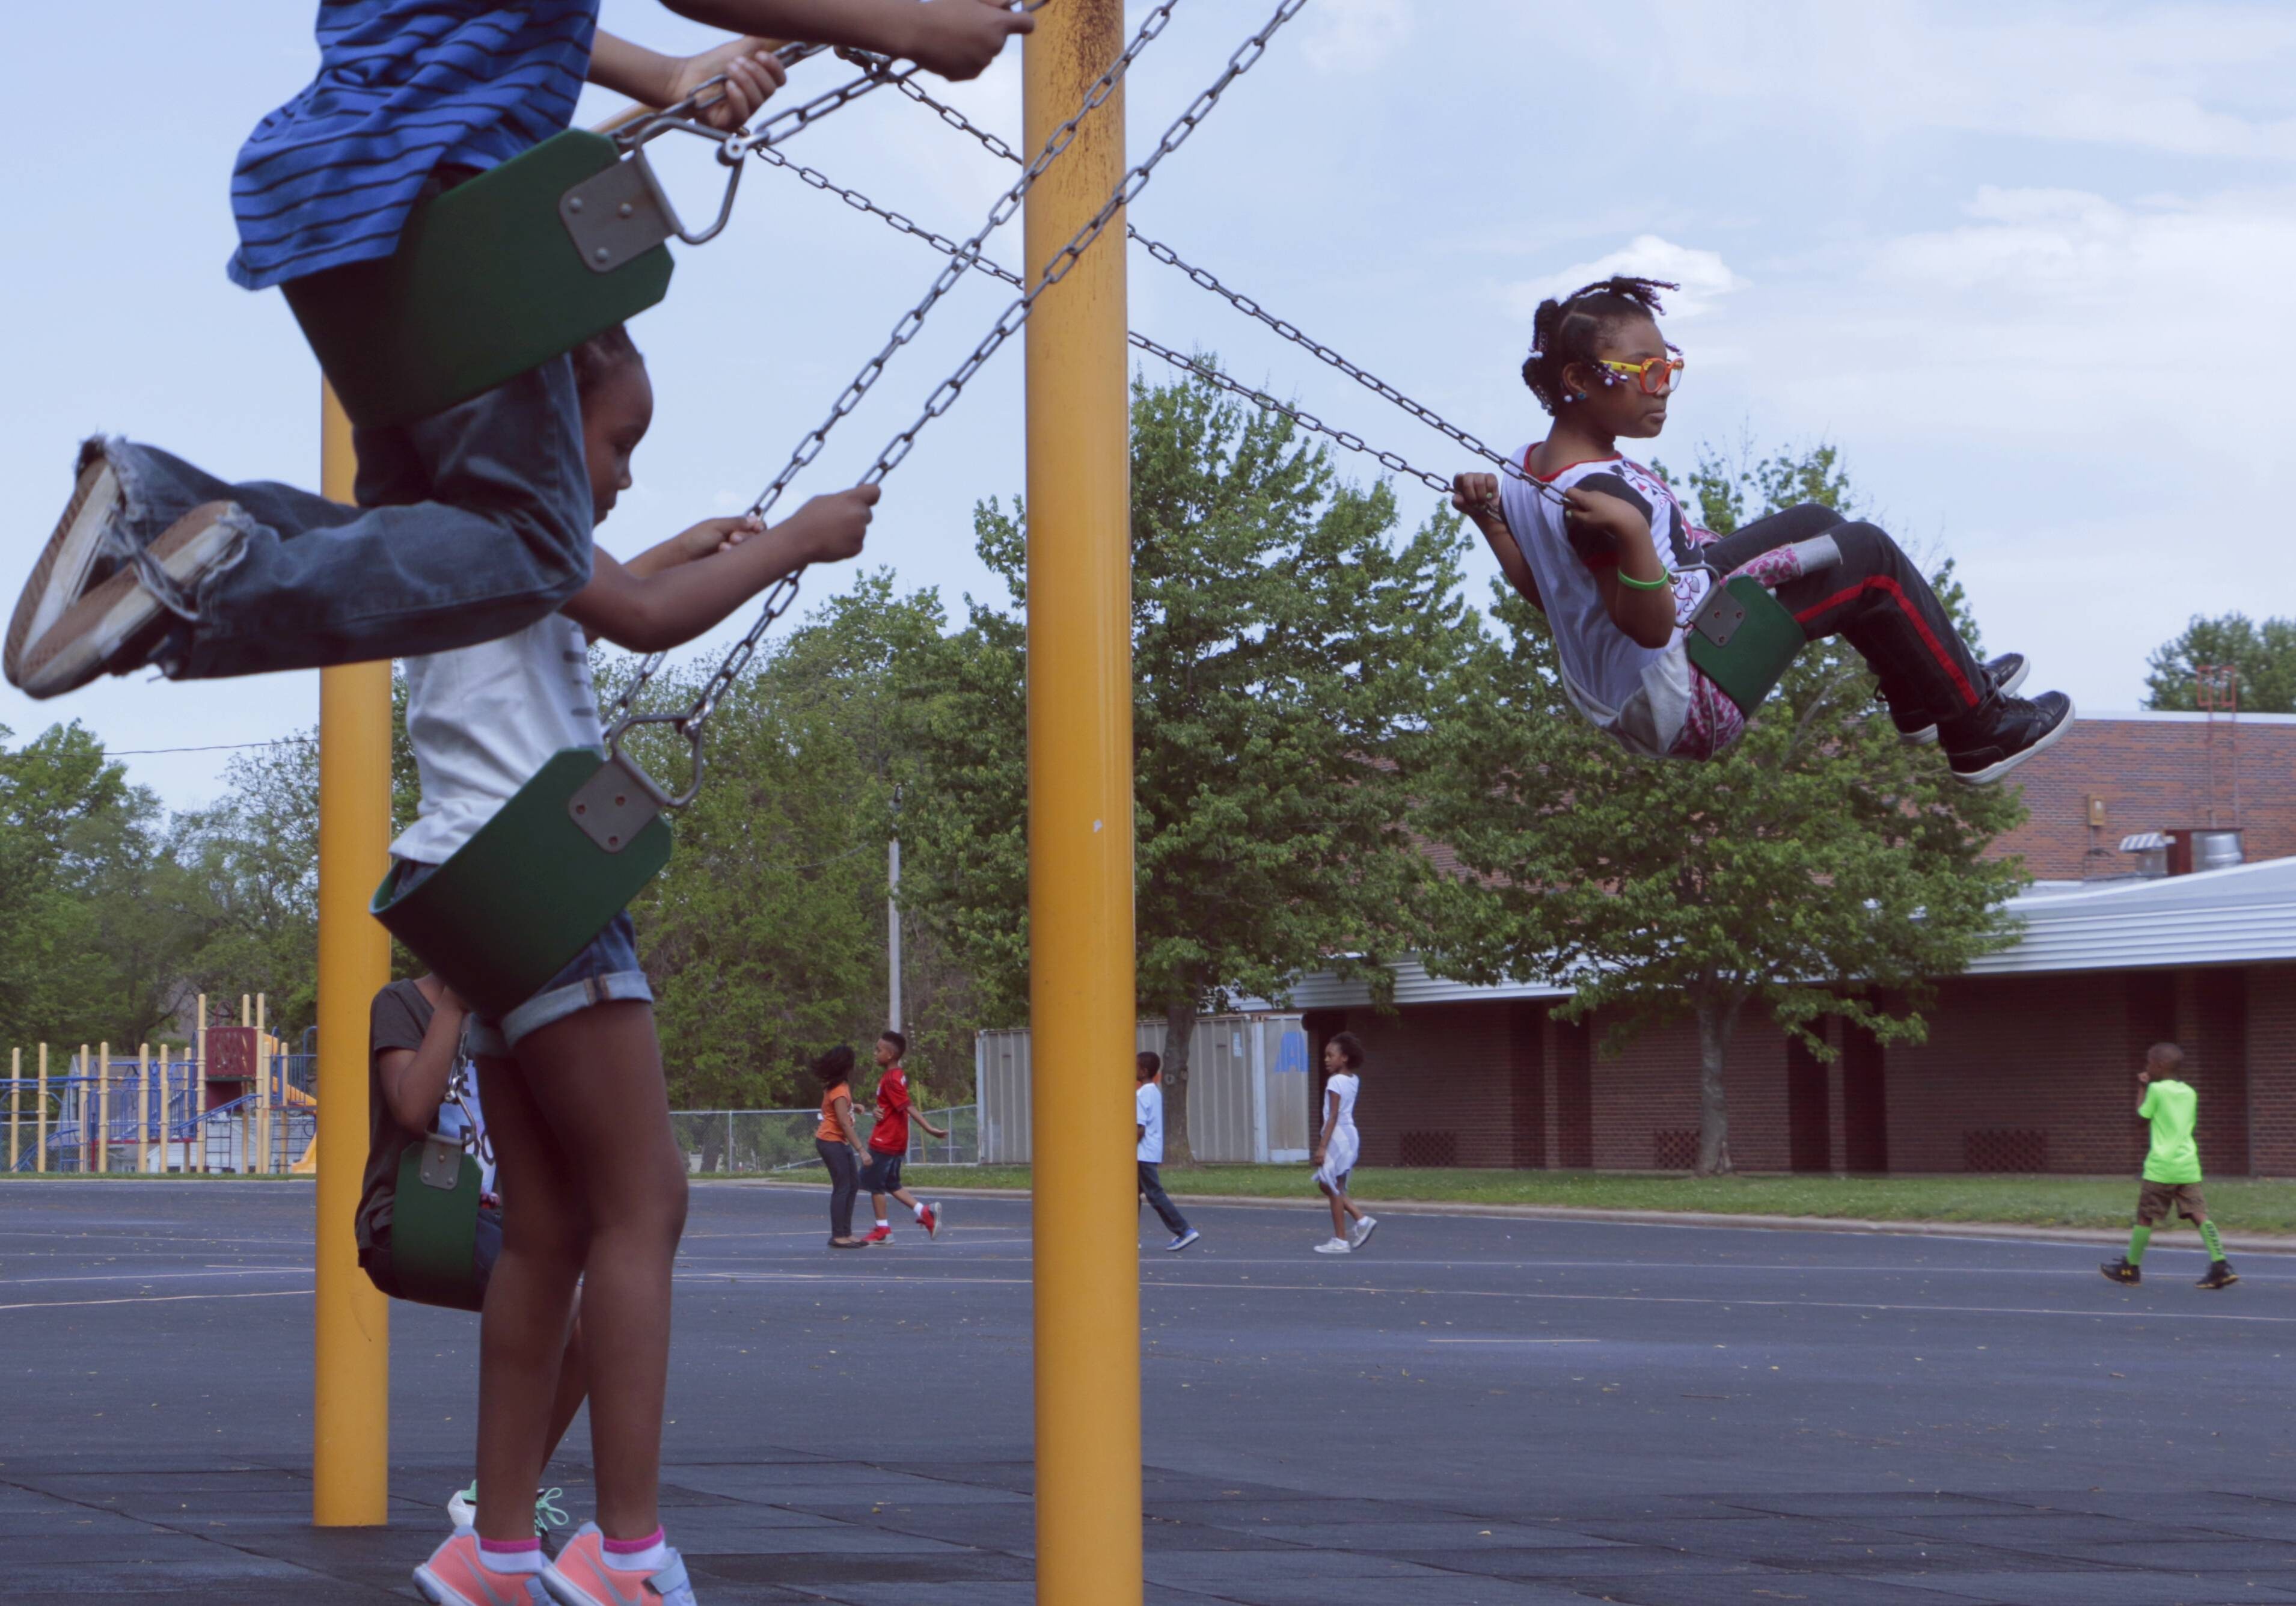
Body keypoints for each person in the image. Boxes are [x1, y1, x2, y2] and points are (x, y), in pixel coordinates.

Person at [7, 0, 1032, 702]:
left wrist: (672, 74)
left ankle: (158, 507)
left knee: (418, 536)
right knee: (538, 549)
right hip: (432, 192)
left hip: (326, 201)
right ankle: (207, 584)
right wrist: (910, 22)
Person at [409, 323, 874, 1606]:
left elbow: (605, 599)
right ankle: (626, 1552)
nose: (621, 477)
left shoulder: (463, 522)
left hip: (468, 896)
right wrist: (798, 541)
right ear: (548, 428)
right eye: (616, 445)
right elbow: (646, 620)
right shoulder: (524, 512)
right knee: (643, 1203)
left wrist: (680, 551)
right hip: (552, 883)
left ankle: (495, 1548)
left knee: (546, 1230)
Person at [1450, 276, 2071, 784]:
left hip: (1649, 675)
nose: (1662, 388)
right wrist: (1637, 537)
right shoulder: (1604, 499)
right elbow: (1650, 624)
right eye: (1643, 372)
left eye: (1668, 368)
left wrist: (1492, 524)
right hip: (1689, 696)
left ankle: (1922, 690)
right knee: (1870, 556)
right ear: (1580, 382)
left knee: (1818, 524)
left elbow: (1553, 595)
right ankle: (1978, 730)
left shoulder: (1530, 469)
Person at [367, 973, 587, 1547]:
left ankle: (497, 1495)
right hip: (415, 1214)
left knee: (594, 1325)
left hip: (499, 1219)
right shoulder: (402, 1003)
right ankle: (500, 1499)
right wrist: (459, 1000)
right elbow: (412, 1108)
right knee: (553, 1301)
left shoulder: (511, 1011)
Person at [2101, 1043, 2237, 1290]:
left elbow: (2141, 1120)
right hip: (2187, 1164)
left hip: (2161, 1166)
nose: (2147, 1067)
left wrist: (2142, 1088)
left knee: (2145, 1216)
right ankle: (2221, 1265)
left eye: (2150, 1062)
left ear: (2161, 1066)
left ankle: (2130, 1268)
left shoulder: (2157, 1091)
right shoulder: (2189, 1092)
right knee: (2199, 1215)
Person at [861, 1031, 946, 1244]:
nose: (875, 1053)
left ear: (890, 1055)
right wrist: (876, 1111)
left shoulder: (891, 1079)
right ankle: (924, 1212)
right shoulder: (897, 1075)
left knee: (874, 1185)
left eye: (878, 1050)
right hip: (896, 1140)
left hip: (885, 1140)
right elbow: (892, 1107)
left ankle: (883, 1231)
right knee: (891, 1183)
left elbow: (907, 1106)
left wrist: (928, 1128)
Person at [1310, 1033, 1376, 1255]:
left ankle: (1343, 1237)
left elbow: (1333, 1115)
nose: (1326, 1060)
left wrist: (1322, 1146)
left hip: (1338, 1135)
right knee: (1329, 1185)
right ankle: (1360, 1220)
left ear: (1345, 1058)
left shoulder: (1335, 1081)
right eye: (1325, 1056)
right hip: (1350, 1134)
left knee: (1332, 1185)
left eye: (1331, 1055)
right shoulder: (1353, 1080)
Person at [1136, 1052, 1200, 1252]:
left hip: (1141, 1154)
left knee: (1155, 1194)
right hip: (1150, 1151)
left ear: (1144, 1071)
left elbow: (1140, 1128)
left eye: (1134, 1066)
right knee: (1129, 1195)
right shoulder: (1155, 1092)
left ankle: (1184, 1230)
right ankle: (1128, 1237)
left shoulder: (1140, 1095)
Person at [812, 1046, 868, 1249]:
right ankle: (838, 1235)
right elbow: (844, 1123)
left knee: (853, 1185)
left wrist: (856, 1106)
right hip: (830, 1141)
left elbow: (841, 1112)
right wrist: (862, 1150)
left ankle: (847, 1232)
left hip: (838, 1141)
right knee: (843, 1186)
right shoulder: (838, 1090)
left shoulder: (840, 1087)